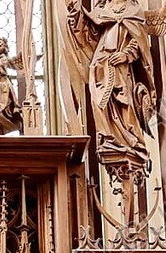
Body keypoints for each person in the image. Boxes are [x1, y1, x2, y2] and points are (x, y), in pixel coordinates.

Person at [65, 0, 155, 167]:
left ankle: (130, 139)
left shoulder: (133, 10)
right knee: (99, 102)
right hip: (101, 65)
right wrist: (75, 12)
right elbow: (87, 33)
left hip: (121, 65)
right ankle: (109, 137)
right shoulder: (102, 10)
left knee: (125, 101)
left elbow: (139, 41)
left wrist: (126, 55)